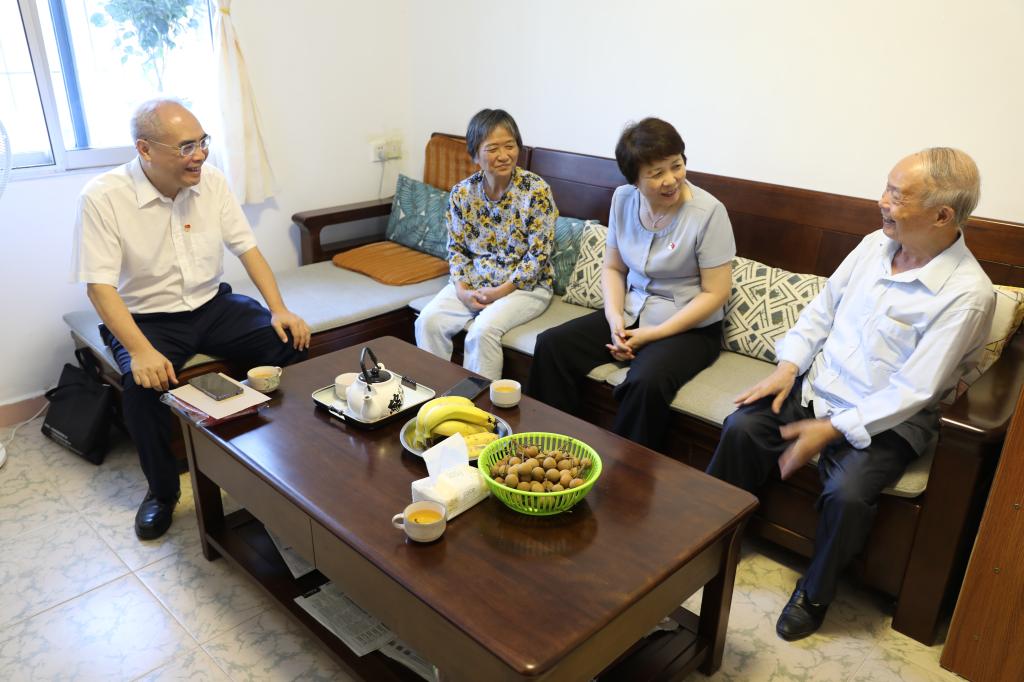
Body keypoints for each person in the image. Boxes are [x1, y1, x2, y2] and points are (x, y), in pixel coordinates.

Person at [705, 148, 995, 641]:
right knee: (742, 426)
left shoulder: (968, 294)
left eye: (897, 196)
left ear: (942, 215)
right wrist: (788, 367)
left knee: (847, 494)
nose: (882, 201)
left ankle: (816, 592)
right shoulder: (873, 246)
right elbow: (820, 313)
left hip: (891, 418)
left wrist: (831, 429)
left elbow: (915, 389)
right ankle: (711, 536)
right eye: (887, 188)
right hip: (819, 386)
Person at [71, 98, 311, 540]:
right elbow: (98, 287)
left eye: (202, 142)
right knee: (142, 388)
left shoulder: (212, 181)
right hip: (148, 319)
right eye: (185, 147)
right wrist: (140, 351)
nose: (199, 155)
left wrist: (279, 308)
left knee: (288, 340)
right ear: (145, 149)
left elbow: (247, 248)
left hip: (213, 306)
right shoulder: (103, 197)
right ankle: (162, 493)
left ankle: (282, 451)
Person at [527, 118, 734, 451]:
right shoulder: (622, 199)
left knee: (645, 383)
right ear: (634, 179)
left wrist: (651, 335)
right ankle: (549, 451)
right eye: (656, 173)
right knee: (552, 345)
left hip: (689, 328)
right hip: (632, 310)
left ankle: (622, 472)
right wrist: (615, 322)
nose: (671, 180)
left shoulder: (708, 212)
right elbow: (613, 268)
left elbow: (716, 292)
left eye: (676, 165)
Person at [415, 109, 556, 380]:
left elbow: (538, 256)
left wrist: (499, 292)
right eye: (492, 149)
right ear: (475, 155)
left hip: (524, 288)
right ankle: (436, 396)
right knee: (429, 321)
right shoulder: (462, 193)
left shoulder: (536, 191)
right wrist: (462, 290)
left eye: (509, 146)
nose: (503, 155)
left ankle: (477, 404)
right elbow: (456, 249)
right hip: (475, 282)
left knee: (482, 332)